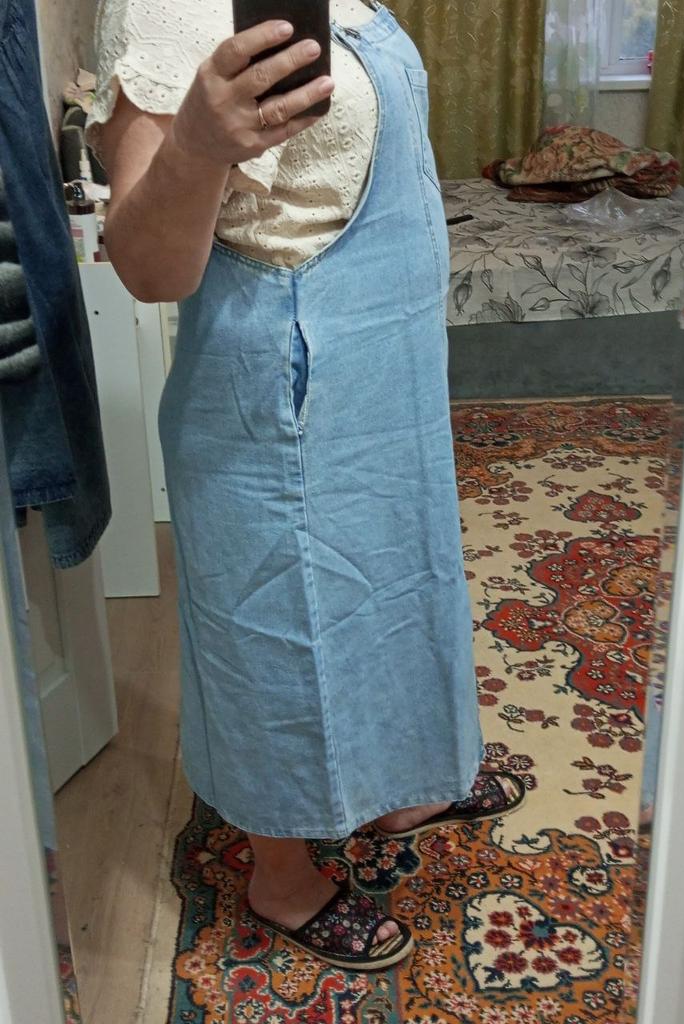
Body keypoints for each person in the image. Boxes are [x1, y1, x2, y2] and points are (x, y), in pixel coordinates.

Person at [86, 0, 525, 971]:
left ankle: (401, 788)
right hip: (279, 377)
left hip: (385, 361)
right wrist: (197, 143)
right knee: (280, 620)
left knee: (396, 578)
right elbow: (147, 268)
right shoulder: (159, 11)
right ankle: (280, 874)